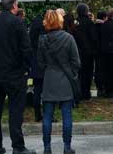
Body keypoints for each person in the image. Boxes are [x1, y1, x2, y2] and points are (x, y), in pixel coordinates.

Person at [0, 0, 37, 154]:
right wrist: (26, 68)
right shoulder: (17, 23)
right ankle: (18, 146)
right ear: (13, 6)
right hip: (15, 74)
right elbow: (26, 49)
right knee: (15, 111)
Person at [37, 10, 80, 154]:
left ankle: (47, 147)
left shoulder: (42, 40)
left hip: (49, 79)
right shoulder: (69, 38)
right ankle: (67, 147)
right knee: (67, 115)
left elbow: (40, 63)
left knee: (47, 115)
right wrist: (71, 72)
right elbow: (76, 62)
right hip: (66, 79)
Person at [73, 3, 98, 101]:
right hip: (88, 52)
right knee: (88, 73)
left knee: (79, 73)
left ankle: (79, 92)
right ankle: (86, 93)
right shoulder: (90, 23)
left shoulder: (75, 23)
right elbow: (94, 38)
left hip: (77, 51)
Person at [29, 10, 47, 121]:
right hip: (43, 66)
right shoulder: (42, 37)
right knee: (45, 91)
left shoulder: (32, 38)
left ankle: (37, 115)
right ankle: (46, 114)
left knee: (37, 90)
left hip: (35, 64)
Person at [94, 10, 109, 97]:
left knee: (98, 70)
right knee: (105, 70)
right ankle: (105, 89)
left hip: (96, 51)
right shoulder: (105, 26)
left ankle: (99, 88)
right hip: (104, 51)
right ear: (104, 17)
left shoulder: (94, 26)